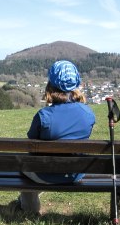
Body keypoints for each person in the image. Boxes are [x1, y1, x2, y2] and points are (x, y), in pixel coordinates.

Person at [18, 60, 96, 214]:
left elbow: (31, 144)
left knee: (25, 164)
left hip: (43, 174)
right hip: (75, 174)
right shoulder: (88, 114)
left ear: (50, 86)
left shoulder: (43, 116)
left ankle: (29, 211)